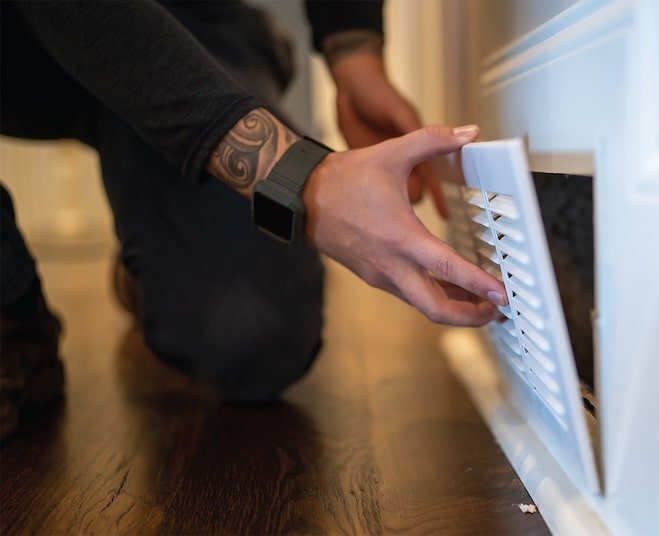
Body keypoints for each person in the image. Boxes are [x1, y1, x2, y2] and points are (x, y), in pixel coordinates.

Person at [0, 0, 508, 440]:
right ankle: (12, 308)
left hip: (182, 22)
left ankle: (151, 256)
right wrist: (305, 182)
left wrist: (353, 50)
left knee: (249, 338)